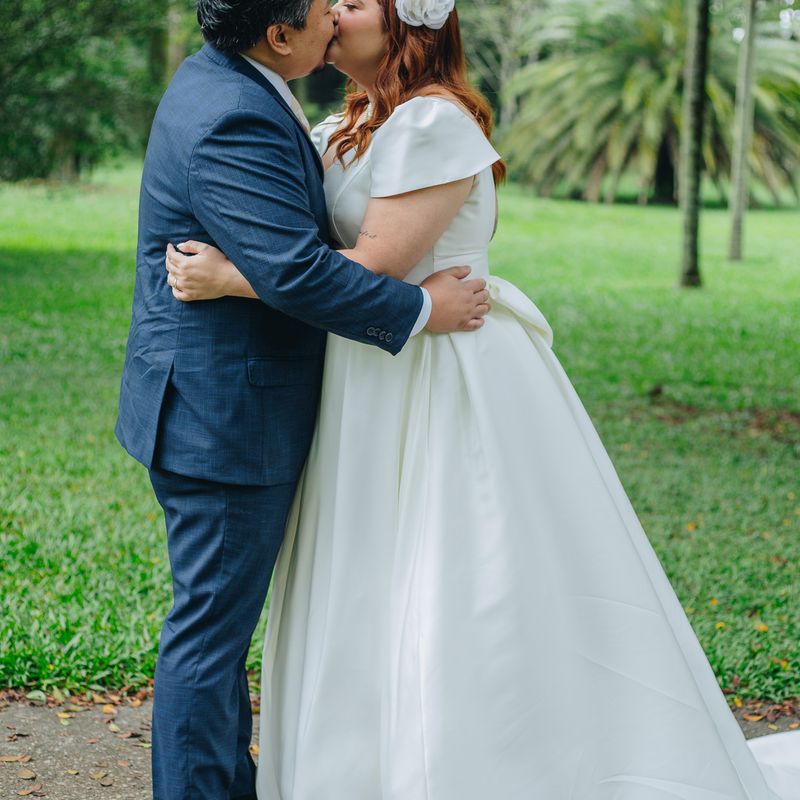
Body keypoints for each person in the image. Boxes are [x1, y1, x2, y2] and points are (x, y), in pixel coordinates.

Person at [164, 0, 800, 797]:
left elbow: (374, 266)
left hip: (439, 374)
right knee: (368, 573)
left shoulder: (434, 124)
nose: (333, 13)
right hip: (371, 371)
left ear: (407, 25)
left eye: (353, 4)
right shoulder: (349, 122)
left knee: (454, 571)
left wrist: (231, 277)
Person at [114, 0, 491, 797]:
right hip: (225, 414)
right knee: (209, 635)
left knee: (217, 628)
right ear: (280, 35)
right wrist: (423, 310)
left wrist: (230, 276)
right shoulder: (235, 111)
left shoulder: (230, 81)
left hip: (247, 400)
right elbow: (296, 270)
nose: (335, 13)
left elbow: (299, 255)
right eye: (327, 7)